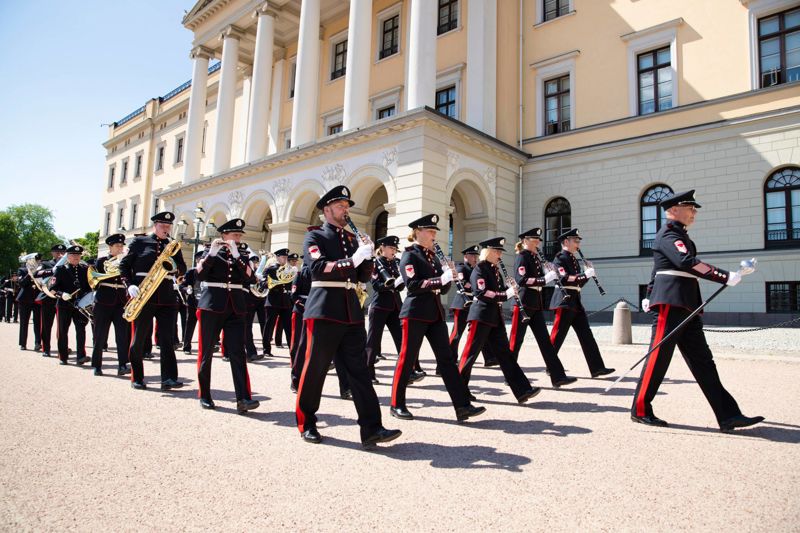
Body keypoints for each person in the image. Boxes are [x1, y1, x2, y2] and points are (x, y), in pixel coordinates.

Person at [632, 190, 764, 431]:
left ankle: (728, 415)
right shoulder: (670, 234)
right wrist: (725, 276)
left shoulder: (679, 236)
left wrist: (648, 293)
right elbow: (686, 263)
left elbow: (659, 267)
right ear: (673, 210)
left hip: (686, 303)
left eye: (694, 209)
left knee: (704, 361)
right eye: (690, 208)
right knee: (659, 358)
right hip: (671, 303)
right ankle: (640, 409)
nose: (694, 213)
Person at [296, 185, 401, 448]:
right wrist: (353, 260)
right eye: (341, 206)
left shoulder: (353, 239)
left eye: (347, 206)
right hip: (323, 309)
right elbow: (319, 269)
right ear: (327, 209)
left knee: (360, 371)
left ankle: (372, 428)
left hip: (351, 310)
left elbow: (362, 276)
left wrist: (366, 257)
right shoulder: (315, 237)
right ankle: (306, 421)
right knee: (315, 369)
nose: (346, 210)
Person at [389, 214, 486, 422]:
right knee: (407, 358)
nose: (434, 235)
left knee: (447, 360)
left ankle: (462, 405)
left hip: (434, 312)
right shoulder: (409, 255)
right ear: (417, 232)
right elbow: (413, 285)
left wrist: (448, 277)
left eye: (434, 232)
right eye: (430, 231)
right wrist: (438, 278)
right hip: (414, 312)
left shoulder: (432, 256)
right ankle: (397, 404)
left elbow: (442, 290)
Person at [457, 238, 540, 403]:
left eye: (500, 251)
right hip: (481, 316)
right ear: (487, 252)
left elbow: (499, 289)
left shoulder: (494, 269)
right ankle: (459, 391)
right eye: (497, 251)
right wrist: (505, 294)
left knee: (505, 355)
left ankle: (522, 389)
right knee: (470, 355)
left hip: (494, 317)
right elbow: (482, 292)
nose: (500, 254)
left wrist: (511, 288)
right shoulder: (479, 269)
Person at [194, 218, 260, 413]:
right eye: (234, 235)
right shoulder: (209, 251)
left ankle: (243, 398)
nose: (237, 238)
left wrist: (238, 254)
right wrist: (212, 253)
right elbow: (199, 274)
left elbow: (250, 277)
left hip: (236, 307)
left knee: (238, 353)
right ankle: (205, 395)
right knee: (206, 352)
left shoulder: (243, 254)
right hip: (212, 305)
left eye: (239, 235)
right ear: (224, 235)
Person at [119, 211, 187, 390]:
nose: (166, 229)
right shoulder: (139, 242)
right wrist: (129, 284)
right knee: (140, 337)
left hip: (166, 296)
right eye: (162, 226)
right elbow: (124, 265)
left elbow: (182, 268)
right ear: (154, 225)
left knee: (167, 339)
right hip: (144, 294)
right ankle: (137, 377)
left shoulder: (173, 245)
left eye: (168, 226)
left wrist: (175, 268)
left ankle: (169, 378)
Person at [509, 228, 577, 387]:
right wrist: (544, 279)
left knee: (545, 342)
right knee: (516, 340)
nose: (538, 242)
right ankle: (510, 375)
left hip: (536, 303)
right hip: (524, 302)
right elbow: (522, 280)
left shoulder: (535, 257)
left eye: (538, 239)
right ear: (525, 240)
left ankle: (557, 376)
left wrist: (548, 271)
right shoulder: (522, 257)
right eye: (534, 239)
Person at [548, 229, 615, 378]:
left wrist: (588, 275)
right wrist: (584, 275)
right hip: (564, 301)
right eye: (575, 241)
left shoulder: (573, 260)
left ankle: (597, 367)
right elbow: (564, 279)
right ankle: (550, 365)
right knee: (557, 336)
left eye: (578, 241)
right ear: (566, 242)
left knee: (586, 335)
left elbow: (578, 283)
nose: (578, 244)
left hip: (575, 301)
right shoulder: (559, 258)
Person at [447, 245, 498, 372]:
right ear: (466, 257)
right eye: (472, 255)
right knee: (457, 333)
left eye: (476, 255)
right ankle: (449, 359)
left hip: (474, 303)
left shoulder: (478, 268)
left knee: (480, 332)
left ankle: (489, 357)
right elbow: (463, 282)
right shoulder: (461, 267)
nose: (475, 258)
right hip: (462, 303)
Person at [365, 235, 404, 384]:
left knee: (401, 340)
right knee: (373, 342)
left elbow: (399, 287)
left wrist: (401, 281)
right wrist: (392, 284)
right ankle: (368, 373)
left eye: (395, 248)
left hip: (395, 306)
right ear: (382, 248)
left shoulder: (395, 263)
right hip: (380, 305)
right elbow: (377, 286)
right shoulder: (375, 263)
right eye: (391, 248)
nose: (394, 251)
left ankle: (407, 372)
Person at [90, 234, 131, 376]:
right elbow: (96, 279)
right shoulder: (101, 261)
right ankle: (97, 365)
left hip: (120, 302)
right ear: (110, 247)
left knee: (122, 335)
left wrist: (124, 263)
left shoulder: (126, 262)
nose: (120, 248)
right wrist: (117, 263)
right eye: (117, 246)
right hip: (103, 301)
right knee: (100, 335)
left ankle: (122, 365)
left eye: (121, 246)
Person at [45, 245, 91, 365]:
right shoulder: (61, 269)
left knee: (81, 330)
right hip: (64, 304)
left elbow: (89, 287)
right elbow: (52, 288)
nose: (76, 257)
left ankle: (81, 356)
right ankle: (63, 356)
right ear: (68, 257)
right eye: (73, 255)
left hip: (80, 305)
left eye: (78, 255)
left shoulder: (85, 269)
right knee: (63, 331)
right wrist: (61, 294)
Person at [35, 244, 67, 357]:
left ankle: (62, 350)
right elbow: (36, 274)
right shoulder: (45, 263)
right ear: (52, 253)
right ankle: (46, 348)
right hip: (48, 297)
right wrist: (51, 271)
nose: (60, 254)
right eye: (57, 252)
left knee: (62, 327)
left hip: (62, 297)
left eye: (62, 252)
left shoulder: (68, 265)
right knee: (46, 325)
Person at [263, 248, 293, 355]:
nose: (285, 259)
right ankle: (266, 349)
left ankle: (292, 351)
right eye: (283, 257)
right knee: (269, 326)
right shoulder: (270, 269)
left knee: (289, 327)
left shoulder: (288, 269)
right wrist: (273, 283)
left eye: (286, 257)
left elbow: (290, 284)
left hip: (285, 301)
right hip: (273, 300)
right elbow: (263, 284)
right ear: (277, 257)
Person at [180, 251, 203, 354]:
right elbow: (182, 285)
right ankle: (186, 346)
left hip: (205, 303)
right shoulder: (191, 272)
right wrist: (186, 290)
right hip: (193, 302)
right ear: (197, 260)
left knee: (207, 327)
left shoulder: (209, 271)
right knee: (190, 325)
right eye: (201, 258)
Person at [16, 257, 41, 351]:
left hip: (37, 299)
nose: (36, 262)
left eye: (37, 261)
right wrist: (29, 274)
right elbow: (21, 283)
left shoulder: (40, 270)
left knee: (38, 322)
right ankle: (23, 343)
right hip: (25, 299)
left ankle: (38, 343)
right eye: (34, 261)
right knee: (24, 322)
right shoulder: (22, 270)